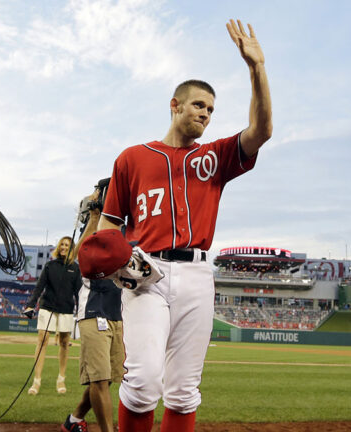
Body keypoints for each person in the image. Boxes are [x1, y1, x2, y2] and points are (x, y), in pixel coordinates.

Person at [94, 19, 272, 432]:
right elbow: (108, 223)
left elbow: (261, 131)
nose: (206, 114)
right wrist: (105, 254)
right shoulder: (132, 158)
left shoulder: (215, 158)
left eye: (211, 110)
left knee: (183, 389)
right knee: (141, 381)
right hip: (146, 275)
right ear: (174, 105)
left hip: (196, 273)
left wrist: (256, 69)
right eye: (198, 105)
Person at [62, 187, 125, 432]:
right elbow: (80, 255)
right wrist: (95, 216)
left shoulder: (122, 227)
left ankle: (74, 419)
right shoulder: (91, 228)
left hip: (116, 312)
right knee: (99, 378)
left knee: (106, 379)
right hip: (93, 309)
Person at [23, 235, 81, 395]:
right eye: (61, 244)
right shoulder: (49, 266)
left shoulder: (76, 269)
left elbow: (78, 293)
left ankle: (61, 378)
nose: (63, 247)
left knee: (64, 342)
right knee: (42, 338)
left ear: (72, 249)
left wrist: (82, 312)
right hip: (47, 306)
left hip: (66, 309)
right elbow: (39, 287)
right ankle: (36, 381)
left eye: (67, 245)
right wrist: (30, 304)